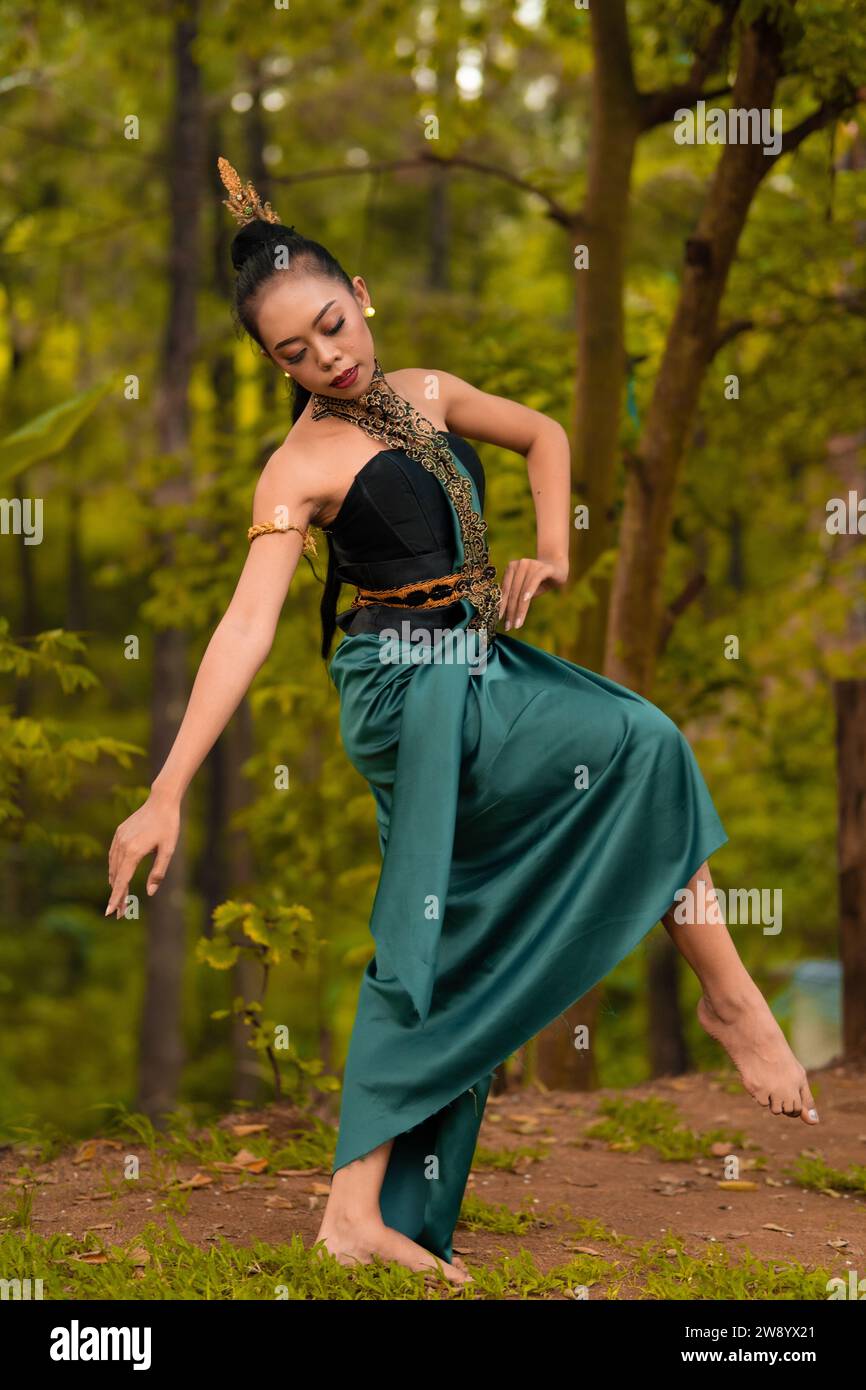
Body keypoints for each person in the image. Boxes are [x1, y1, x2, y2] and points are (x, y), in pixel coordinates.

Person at [105, 158, 819, 1289]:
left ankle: (353, 1210)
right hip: (402, 687)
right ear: (274, 365)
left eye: (333, 326)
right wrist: (167, 787)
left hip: (477, 661)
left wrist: (555, 547)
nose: (327, 358)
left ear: (364, 297)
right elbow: (245, 627)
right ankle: (729, 997)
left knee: (459, 901)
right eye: (294, 352)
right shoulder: (295, 466)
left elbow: (543, 435)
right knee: (639, 746)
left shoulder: (429, 392)